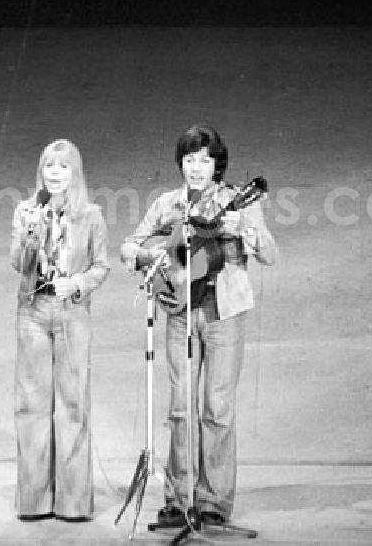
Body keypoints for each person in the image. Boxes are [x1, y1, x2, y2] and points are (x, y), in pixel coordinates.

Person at [120, 124, 277, 526]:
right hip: (180, 313)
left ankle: (213, 503)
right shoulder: (167, 203)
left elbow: (270, 255)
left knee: (217, 409)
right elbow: (129, 246)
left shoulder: (238, 203)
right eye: (189, 160)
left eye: (204, 160)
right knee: (180, 407)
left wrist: (243, 228)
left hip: (224, 314)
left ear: (217, 164)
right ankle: (178, 498)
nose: (196, 168)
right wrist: (154, 258)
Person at [10, 139, 110, 521]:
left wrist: (80, 283)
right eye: (49, 165)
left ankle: (73, 503)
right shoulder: (25, 211)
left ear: (75, 173)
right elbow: (17, 263)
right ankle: (33, 500)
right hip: (33, 311)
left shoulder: (91, 216)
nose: (54, 173)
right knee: (31, 404)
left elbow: (102, 266)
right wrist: (32, 237)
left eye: (62, 167)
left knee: (72, 404)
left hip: (71, 313)